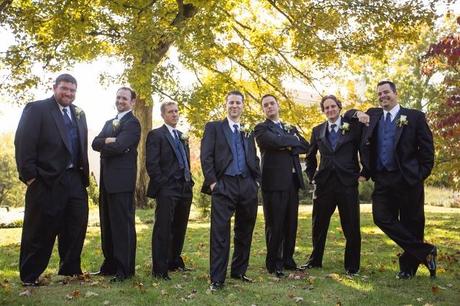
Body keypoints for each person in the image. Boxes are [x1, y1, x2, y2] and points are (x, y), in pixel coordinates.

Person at [351, 80, 436, 279]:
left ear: (395, 93)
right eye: (379, 94)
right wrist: (357, 114)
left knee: (411, 223)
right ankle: (425, 251)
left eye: (386, 92)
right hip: (382, 178)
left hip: (408, 179)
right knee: (380, 217)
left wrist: (419, 175)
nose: (383, 96)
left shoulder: (414, 117)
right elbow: (347, 115)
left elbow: (427, 151)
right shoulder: (373, 115)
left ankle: (408, 269)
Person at [14, 73, 89, 286]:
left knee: (75, 226)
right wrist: (30, 177)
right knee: (39, 229)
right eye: (64, 89)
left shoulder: (79, 113)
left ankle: (70, 270)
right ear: (54, 87)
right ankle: (30, 275)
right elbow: (24, 143)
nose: (68, 93)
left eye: (72, 90)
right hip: (46, 180)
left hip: (75, 179)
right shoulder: (36, 109)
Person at [200, 90, 261, 291]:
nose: (234, 106)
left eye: (238, 103)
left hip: (247, 185)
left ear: (243, 106)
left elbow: (253, 156)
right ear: (226, 105)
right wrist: (213, 183)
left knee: (245, 230)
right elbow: (206, 156)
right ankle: (217, 279)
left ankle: (239, 271)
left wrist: (256, 181)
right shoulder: (214, 127)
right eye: (231, 102)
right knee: (220, 233)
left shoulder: (247, 130)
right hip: (224, 184)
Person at [302, 95, 363, 275]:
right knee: (318, 225)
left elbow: (363, 148)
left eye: (333, 106)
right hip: (324, 184)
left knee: (351, 225)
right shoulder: (317, 130)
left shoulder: (353, 127)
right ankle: (315, 260)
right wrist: (312, 176)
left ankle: (352, 266)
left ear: (339, 107)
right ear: (323, 111)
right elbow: (310, 156)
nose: (330, 110)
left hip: (347, 183)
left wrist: (363, 171)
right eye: (326, 108)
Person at [254, 94, 309, 277]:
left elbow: (305, 145)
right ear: (263, 109)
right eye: (266, 105)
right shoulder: (261, 128)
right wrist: (290, 141)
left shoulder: (290, 127)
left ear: (278, 105)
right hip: (273, 182)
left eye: (272, 103)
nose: (269, 107)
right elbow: (272, 142)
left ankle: (288, 259)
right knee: (275, 224)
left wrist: (287, 143)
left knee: (290, 224)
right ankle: (273, 262)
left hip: (292, 183)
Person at [91, 87, 141, 282]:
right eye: (118, 97)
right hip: (107, 182)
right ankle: (109, 265)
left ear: (133, 102)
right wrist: (109, 141)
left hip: (122, 182)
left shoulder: (133, 123)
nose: (121, 101)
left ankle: (125, 269)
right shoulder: (109, 122)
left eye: (125, 98)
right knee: (108, 224)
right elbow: (94, 143)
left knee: (122, 226)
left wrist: (109, 145)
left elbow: (121, 146)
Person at [146, 101, 193, 280]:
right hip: (167, 188)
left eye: (176, 111)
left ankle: (174, 261)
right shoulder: (156, 135)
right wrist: (163, 184)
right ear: (163, 115)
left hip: (185, 187)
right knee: (163, 228)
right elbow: (152, 164)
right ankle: (159, 269)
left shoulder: (182, 136)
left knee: (180, 227)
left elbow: (185, 160)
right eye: (170, 112)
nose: (174, 114)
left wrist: (189, 181)